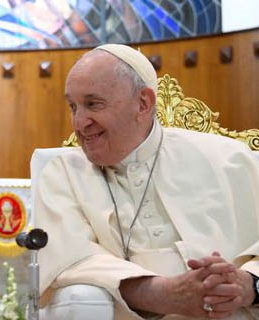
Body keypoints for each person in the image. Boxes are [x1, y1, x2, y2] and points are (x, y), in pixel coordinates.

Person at [35, 43, 259, 319]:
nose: (79, 122)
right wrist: (162, 294)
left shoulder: (229, 158)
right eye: (73, 106)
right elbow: (70, 260)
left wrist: (248, 285)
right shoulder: (63, 173)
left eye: (93, 104)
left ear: (143, 103)